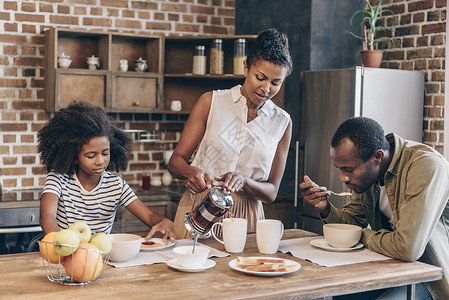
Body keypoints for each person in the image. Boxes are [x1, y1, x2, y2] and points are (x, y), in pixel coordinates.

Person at [300, 117, 449, 299]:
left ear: (377, 157)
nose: (342, 178)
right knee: (334, 294)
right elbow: (353, 221)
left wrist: (357, 235)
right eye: (339, 169)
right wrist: (326, 208)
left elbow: (408, 248)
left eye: (348, 169)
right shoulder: (368, 177)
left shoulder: (425, 165)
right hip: (390, 267)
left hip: (431, 276)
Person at [168, 28, 293, 238]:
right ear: (246, 67)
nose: (266, 88)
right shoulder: (211, 102)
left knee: (246, 270)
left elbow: (271, 192)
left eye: (275, 82)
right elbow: (175, 161)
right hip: (200, 209)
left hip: (248, 217)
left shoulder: (282, 122)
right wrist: (192, 172)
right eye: (260, 77)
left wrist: (244, 182)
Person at [38, 102, 175, 241]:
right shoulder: (59, 179)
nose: (100, 161)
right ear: (74, 157)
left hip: (100, 258)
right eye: (91, 156)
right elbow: (47, 216)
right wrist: (61, 243)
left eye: (105, 153)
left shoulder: (116, 185)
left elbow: (150, 216)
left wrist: (164, 222)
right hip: (65, 254)